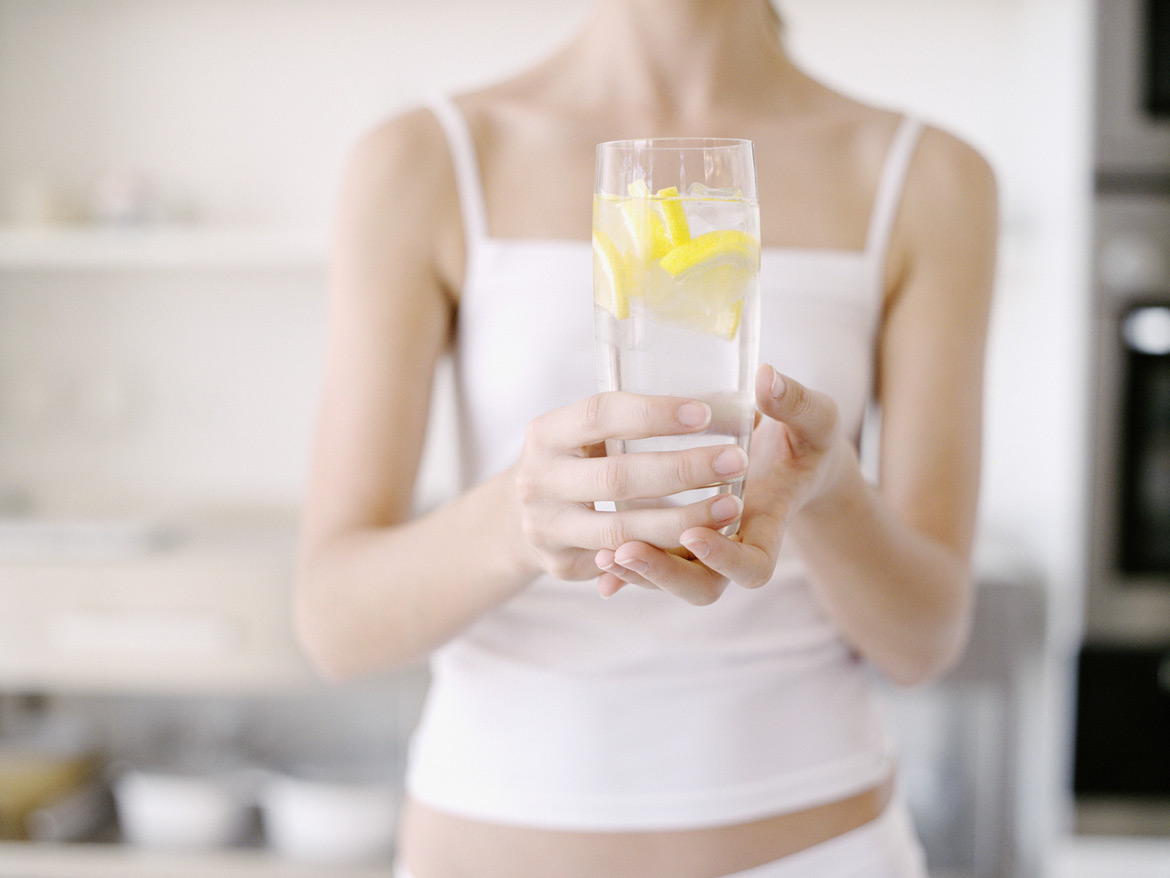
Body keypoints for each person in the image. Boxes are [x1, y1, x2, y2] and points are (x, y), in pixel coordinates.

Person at [294, 0, 997, 875]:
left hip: (820, 847)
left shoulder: (929, 177)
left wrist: (832, 489)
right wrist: (523, 520)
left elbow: (925, 640)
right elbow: (333, 624)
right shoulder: (424, 158)